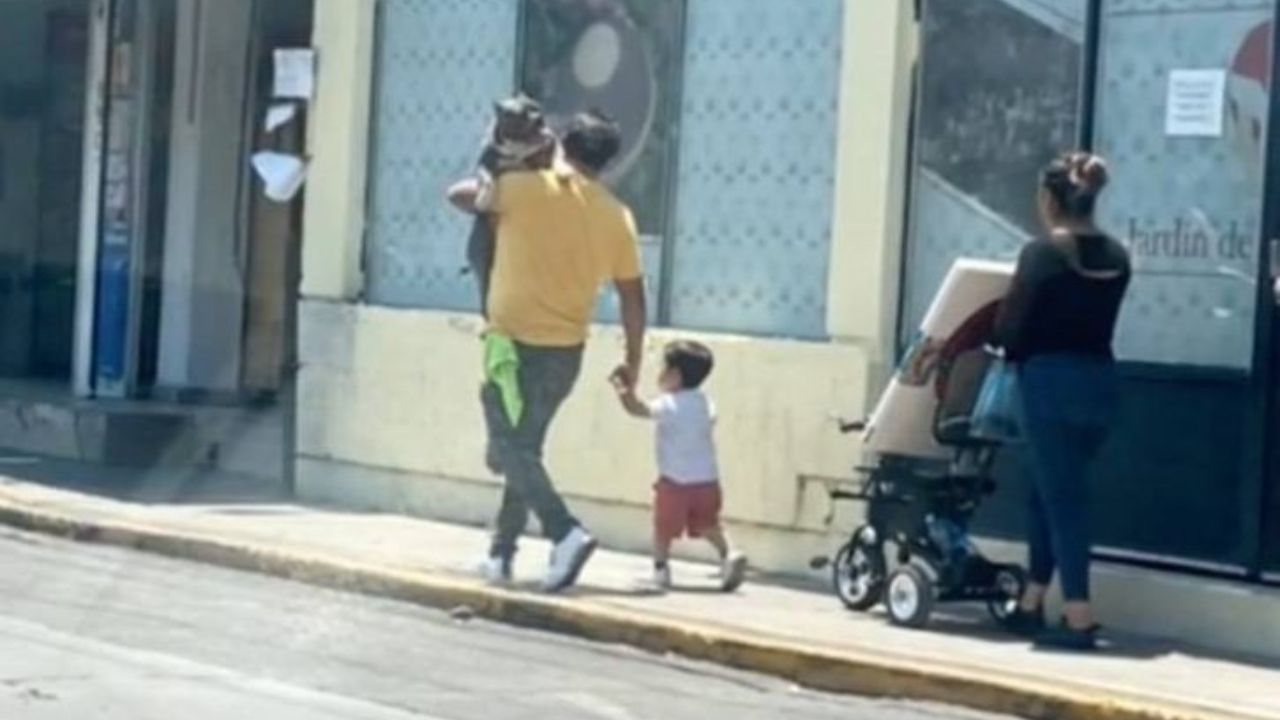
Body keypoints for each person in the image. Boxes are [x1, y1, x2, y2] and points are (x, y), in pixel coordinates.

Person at [447, 110, 646, 593]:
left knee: (510, 449)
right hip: (565, 353)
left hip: (510, 346)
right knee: (525, 449)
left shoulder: (527, 190)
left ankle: (565, 532)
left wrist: (505, 156)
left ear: (563, 144)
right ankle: (501, 554)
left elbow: (458, 194)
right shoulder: (617, 216)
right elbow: (633, 297)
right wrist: (632, 364)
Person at [994, 151, 1131, 651]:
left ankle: (1078, 616)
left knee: (1064, 499)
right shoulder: (1118, 257)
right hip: (1099, 382)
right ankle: (1032, 600)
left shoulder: (1040, 254)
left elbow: (1011, 331)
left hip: (1049, 383)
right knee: (1046, 490)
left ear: (1050, 199)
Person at [610, 341, 748, 592]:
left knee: (663, 528)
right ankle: (729, 553)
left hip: (674, 482)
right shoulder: (705, 403)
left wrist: (622, 388)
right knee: (709, 524)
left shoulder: (668, 404)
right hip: (707, 481)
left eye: (663, 368)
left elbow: (637, 409)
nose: (659, 374)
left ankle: (661, 569)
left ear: (674, 375)